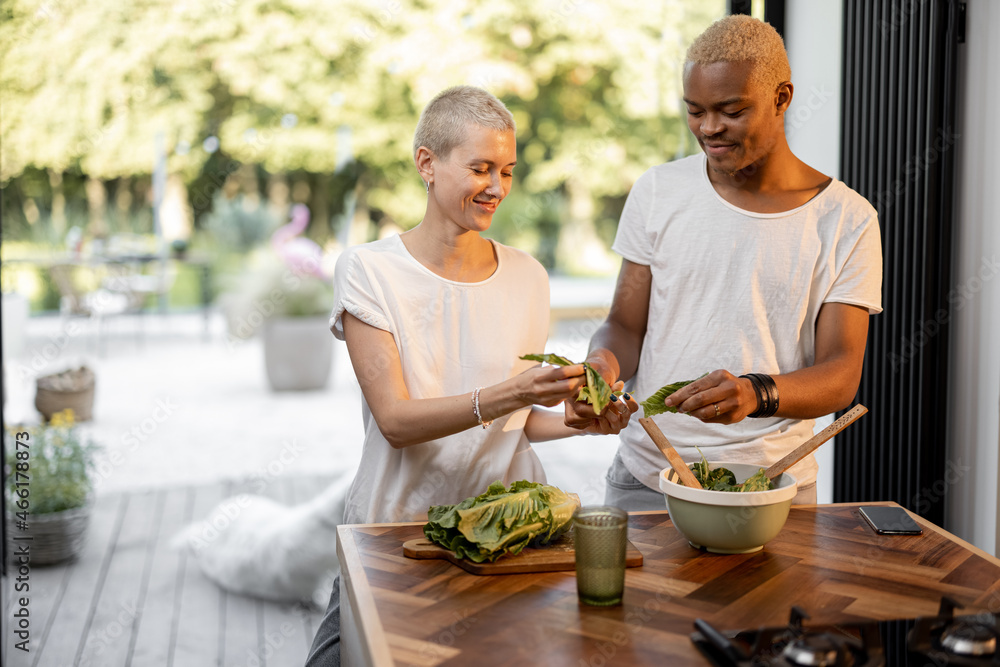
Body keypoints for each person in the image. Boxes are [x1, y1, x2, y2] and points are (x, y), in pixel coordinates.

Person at [305, 85, 637, 667]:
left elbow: (517, 422)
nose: (496, 188)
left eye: (507, 171)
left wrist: (581, 421)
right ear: (427, 164)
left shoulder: (528, 276)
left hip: (507, 532)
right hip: (395, 533)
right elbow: (396, 421)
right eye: (480, 168)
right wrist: (511, 392)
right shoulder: (369, 271)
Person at [565, 15, 883, 509]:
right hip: (648, 476)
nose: (709, 128)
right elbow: (625, 325)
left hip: (775, 485)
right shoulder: (658, 191)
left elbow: (840, 374)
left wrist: (757, 393)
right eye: (695, 111)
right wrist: (600, 370)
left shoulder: (846, 219)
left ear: (782, 97)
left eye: (731, 111)